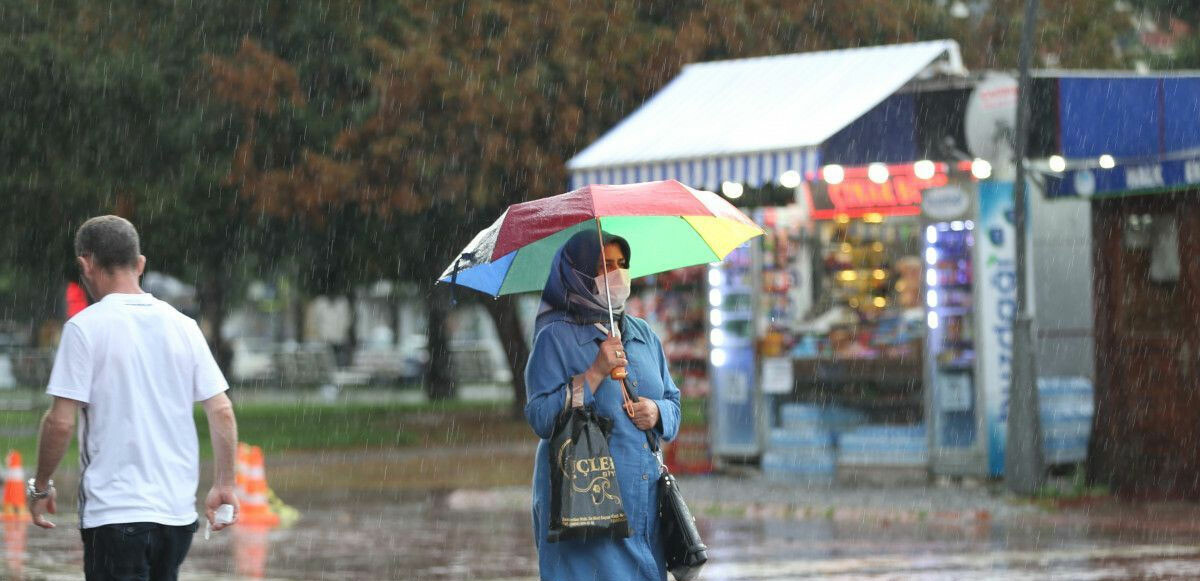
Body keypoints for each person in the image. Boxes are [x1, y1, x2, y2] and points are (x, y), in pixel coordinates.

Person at [28, 215, 240, 581]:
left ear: (85, 264)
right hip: (176, 518)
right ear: (140, 264)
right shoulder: (184, 326)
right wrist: (224, 484)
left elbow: (59, 422)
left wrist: (41, 485)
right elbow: (221, 410)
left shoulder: (84, 328)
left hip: (115, 514)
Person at [525, 229, 682, 581]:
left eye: (622, 264)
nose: (616, 274)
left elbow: (673, 401)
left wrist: (657, 412)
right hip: (583, 508)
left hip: (642, 503)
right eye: (604, 266)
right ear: (579, 274)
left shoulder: (643, 335)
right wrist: (594, 373)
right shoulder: (555, 338)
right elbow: (541, 418)